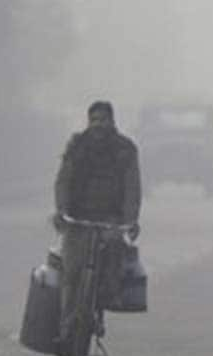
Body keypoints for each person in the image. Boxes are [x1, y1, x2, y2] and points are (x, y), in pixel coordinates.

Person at [53, 101, 142, 342]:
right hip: (78, 219)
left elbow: (132, 188)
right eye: (94, 120)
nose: (98, 125)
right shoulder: (77, 146)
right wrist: (61, 210)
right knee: (71, 272)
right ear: (88, 122)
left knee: (114, 251)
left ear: (112, 121)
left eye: (103, 120)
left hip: (110, 219)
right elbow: (63, 180)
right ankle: (65, 328)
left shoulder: (125, 149)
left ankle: (105, 298)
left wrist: (131, 220)